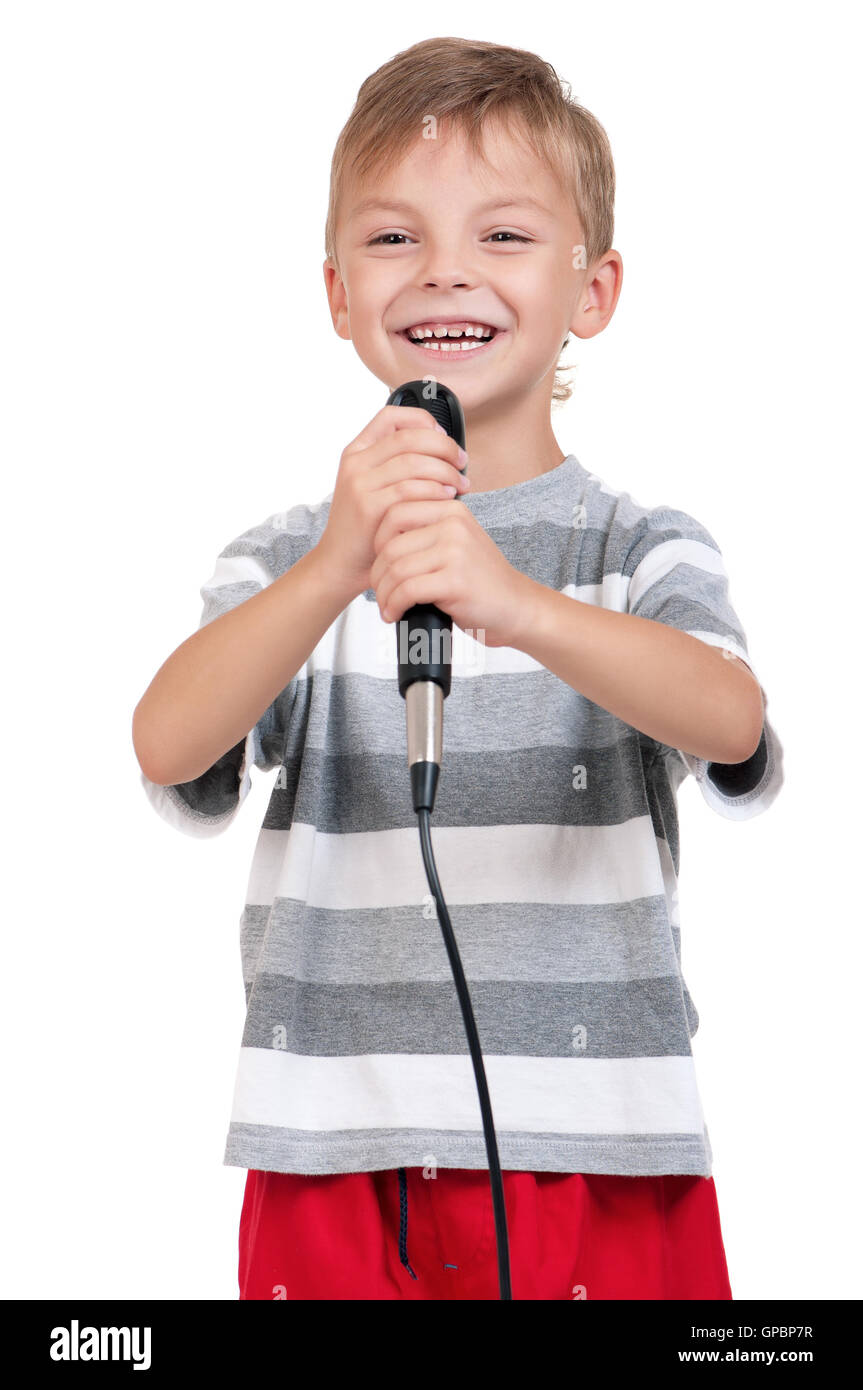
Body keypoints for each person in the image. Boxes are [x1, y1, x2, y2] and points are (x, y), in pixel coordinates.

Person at [132, 36, 784, 1301]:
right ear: (333, 291)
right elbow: (166, 745)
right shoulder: (291, 557)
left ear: (590, 290)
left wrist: (517, 604)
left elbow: (729, 717)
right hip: (332, 1145)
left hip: (597, 1143)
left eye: (500, 237)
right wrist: (334, 564)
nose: (443, 272)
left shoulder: (633, 544)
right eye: (392, 239)